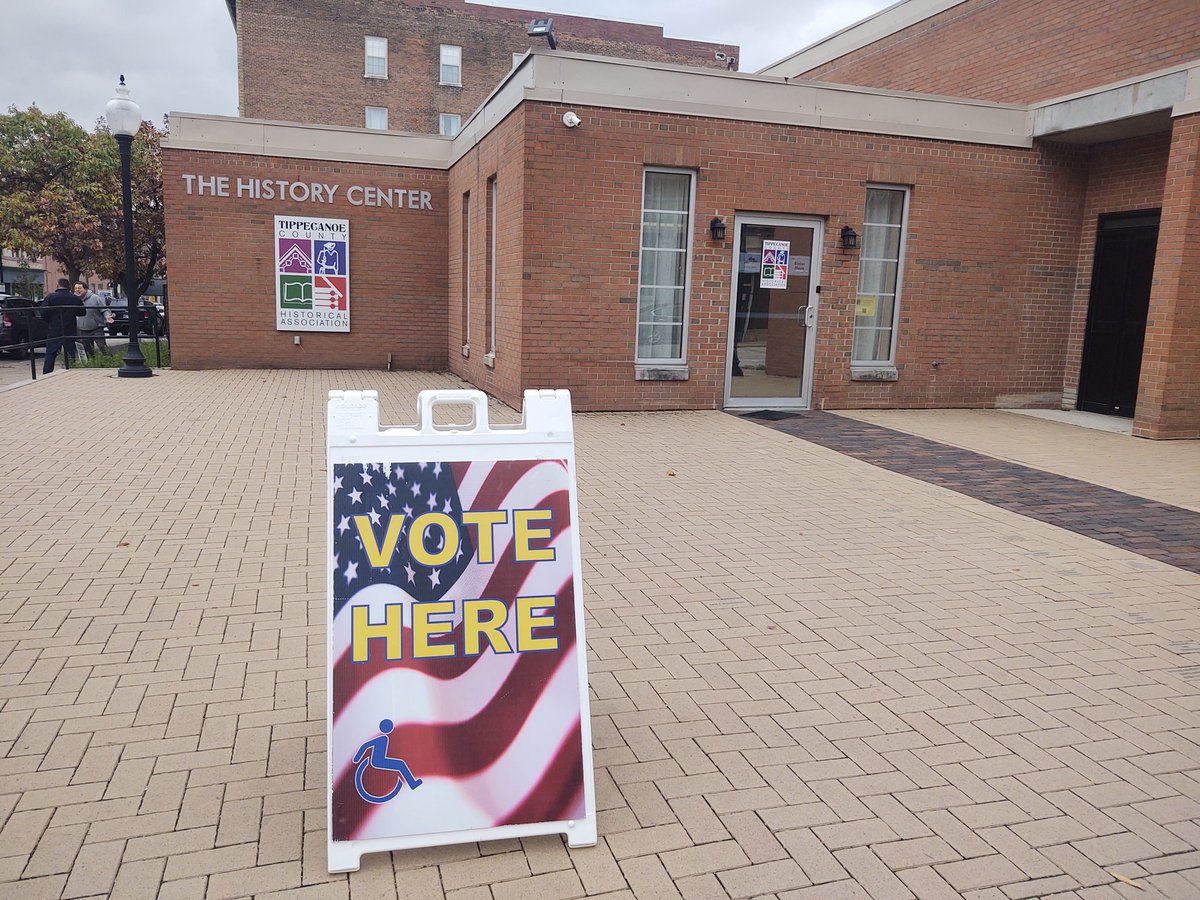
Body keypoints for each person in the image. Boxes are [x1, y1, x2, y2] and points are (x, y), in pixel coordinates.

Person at [38, 278, 85, 374]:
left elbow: (42, 313)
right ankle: (70, 371)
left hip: (54, 329)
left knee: (51, 353)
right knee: (70, 353)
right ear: (68, 286)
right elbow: (82, 312)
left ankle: (47, 373)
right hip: (70, 328)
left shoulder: (50, 297)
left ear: (58, 285)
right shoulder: (75, 298)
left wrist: (49, 321)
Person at [74, 282, 108, 359]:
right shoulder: (74, 299)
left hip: (97, 328)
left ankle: (109, 361)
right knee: (87, 349)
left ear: (85, 289)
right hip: (82, 329)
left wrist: (107, 316)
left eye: (79, 288)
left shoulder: (95, 298)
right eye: (75, 288)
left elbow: (104, 309)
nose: (77, 290)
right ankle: (91, 364)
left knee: (102, 347)